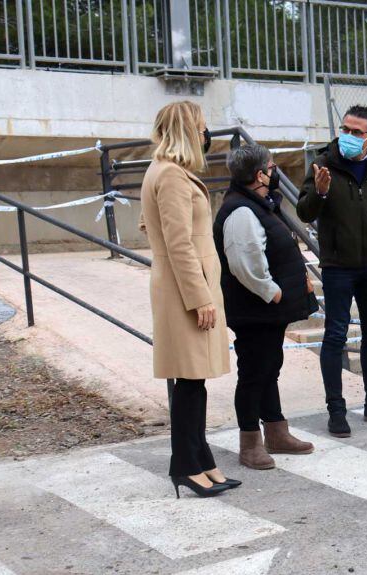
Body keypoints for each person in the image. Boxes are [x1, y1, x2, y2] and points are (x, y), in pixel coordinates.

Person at [298, 105, 367, 437]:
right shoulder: (323, 164)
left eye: (356, 132)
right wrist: (319, 191)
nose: (347, 136)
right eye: (344, 129)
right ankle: (337, 410)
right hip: (337, 266)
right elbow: (305, 212)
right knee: (336, 335)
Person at [140, 101, 235, 498]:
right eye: (201, 127)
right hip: (186, 292)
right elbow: (178, 243)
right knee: (191, 382)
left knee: (193, 381)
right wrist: (199, 298)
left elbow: (149, 226)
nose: (205, 134)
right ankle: (185, 466)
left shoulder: (164, 172)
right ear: (185, 131)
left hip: (184, 287)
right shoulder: (173, 176)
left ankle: (202, 460)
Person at [213, 144, 319, 470]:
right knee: (254, 373)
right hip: (255, 309)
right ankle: (250, 443)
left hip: (267, 310)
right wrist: (274, 293)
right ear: (259, 175)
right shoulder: (241, 210)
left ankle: (276, 431)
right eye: (271, 168)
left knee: (269, 367)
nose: (275, 173)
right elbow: (245, 264)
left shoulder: (258, 204)